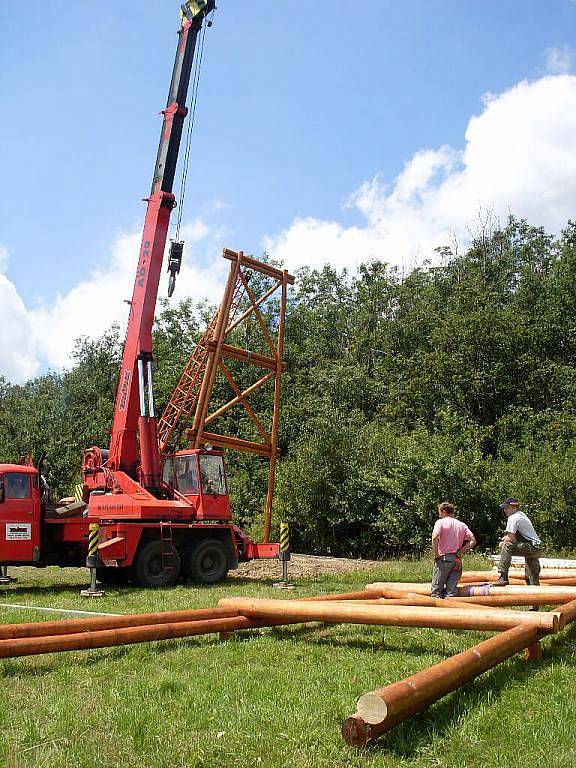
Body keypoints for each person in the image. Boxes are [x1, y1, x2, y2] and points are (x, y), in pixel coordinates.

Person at [431, 501, 476, 598]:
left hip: (444, 559)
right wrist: (460, 552)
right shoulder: (461, 525)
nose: (438, 514)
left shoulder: (440, 522)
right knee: (451, 592)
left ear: (443, 511)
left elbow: (434, 537)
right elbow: (473, 541)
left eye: (439, 511)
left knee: (436, 591)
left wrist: (436, 554)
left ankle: (437, 612)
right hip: (456, 560)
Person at [494, 497, 542, 587]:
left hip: (531, 547)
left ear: (514, 507)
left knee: (506, 546)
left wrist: (504, 542)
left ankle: (503, 576)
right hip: (536, 548)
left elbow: (511, 538)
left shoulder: (513, 518)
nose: (505, 510)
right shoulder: (521, 515)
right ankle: (535, 592)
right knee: (532, 578)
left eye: (506, 508)